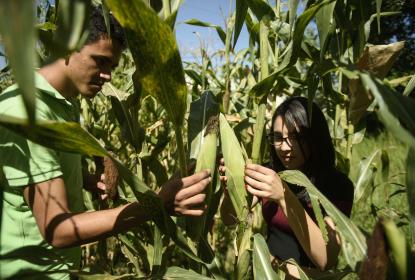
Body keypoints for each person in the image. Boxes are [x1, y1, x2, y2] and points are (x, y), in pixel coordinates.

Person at [0, 7, 210, 280]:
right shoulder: (28, 112)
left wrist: (87, 176)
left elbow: (32, 178)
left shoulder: (64, 105)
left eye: (112, 66)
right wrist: (156, 205)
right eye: (100, 61)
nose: (108, 75)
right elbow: (58, 231)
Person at [220, 97, 354, 278]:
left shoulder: (337, 186)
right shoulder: (270, 172)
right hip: (267, 273)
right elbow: (230, 220)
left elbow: (325, 258)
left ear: (314, 138)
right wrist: (231, 190)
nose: (284, 147)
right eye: (278, 137)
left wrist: (283, 196)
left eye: (295, 137)